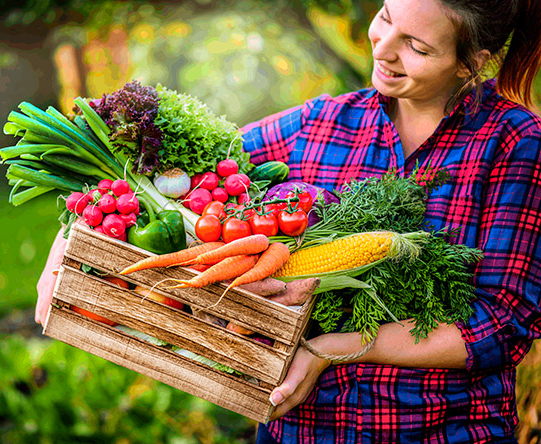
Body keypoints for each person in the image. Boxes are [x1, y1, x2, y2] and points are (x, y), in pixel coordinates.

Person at [36, 0, 541, 442]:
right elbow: (176, 174)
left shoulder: (516, 145)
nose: (383, 49)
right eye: (385, 17)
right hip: (300, 429)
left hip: (437, 431)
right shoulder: (320, 122)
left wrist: (331, 350)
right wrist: (71, 238)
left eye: (416, 46)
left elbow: (502, 323)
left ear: (471, 63)